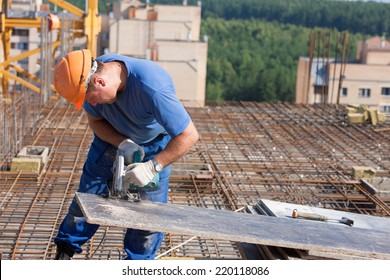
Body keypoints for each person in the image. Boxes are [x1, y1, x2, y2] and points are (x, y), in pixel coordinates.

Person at [52, 49, 199, 260]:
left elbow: (189, 135)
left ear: (100, 82)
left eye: (91, 99)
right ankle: (65, 251)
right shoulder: (90, 75)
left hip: (154, 146)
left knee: (149, 217)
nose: (91, 104)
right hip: (111, 137)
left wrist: (153, 166)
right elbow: (95, 121)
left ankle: (136, 265)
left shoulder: (152, 87)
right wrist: (121, 142)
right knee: (87, 198)